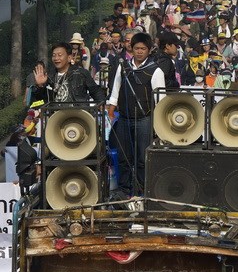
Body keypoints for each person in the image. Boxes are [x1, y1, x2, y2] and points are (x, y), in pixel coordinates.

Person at [108, 32, 166, 197]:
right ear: (131, 49)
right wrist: (111, 110)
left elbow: (161, 99)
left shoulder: (155, 70)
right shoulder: (123, 66)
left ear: (149, 50)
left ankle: (142, 190)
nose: (139, 51)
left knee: (142, 158)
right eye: (136, 48)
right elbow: (115, 90)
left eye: (143, 48)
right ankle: (124, 189)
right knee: (123, 157)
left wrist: (159, 123)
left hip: (144, 119)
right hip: (124, 118)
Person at [31, 42, 105, 104]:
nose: (56, 58)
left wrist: (101, 105)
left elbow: (96, 91)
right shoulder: (49, 76)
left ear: (69, 58)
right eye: (54, 55)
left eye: (60, 55)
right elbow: (40, 102)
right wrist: (40, 86)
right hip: (55, 117)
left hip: (77, 116)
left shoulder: (81, 73)